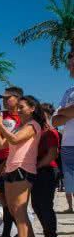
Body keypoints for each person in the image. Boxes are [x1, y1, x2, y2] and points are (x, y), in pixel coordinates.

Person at [0, 95, 44, 237]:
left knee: (19, 209)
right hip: (12, 167)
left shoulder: (33, 125)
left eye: (22, 107)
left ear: (32, 108)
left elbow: (14, 139)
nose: (18, 110)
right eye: (18, 107)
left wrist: (0, 124)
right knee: (14, 209)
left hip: (23, 168)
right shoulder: (20, 125)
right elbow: (1, 145)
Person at [0, 86, 23, 237]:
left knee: (16, 202)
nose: (4, 101)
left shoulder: (22, 117)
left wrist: (6, 160)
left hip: (15, 162)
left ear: (18, 98)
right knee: (5, 201)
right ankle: (7, 235)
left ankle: (24, 236)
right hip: (1, 161)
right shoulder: (2, 116)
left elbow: (15, 142)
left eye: (8, 98)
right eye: (3, 98)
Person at [32, 103, 60, 237]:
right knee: (37, 205)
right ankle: (48, 235)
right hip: (41, 170)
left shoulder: (51, 132)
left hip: (48, 170)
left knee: (45, 205)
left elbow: (52, 154)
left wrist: (36, 166)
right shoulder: (41, 131)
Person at [52, 52, 74, 217]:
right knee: (72, 187)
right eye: (69, 65)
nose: (71, 68)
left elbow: (61, 114)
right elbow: (54, 119)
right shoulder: (68, 92)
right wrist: (66, 111)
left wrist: (64, 112)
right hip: (67, 145)